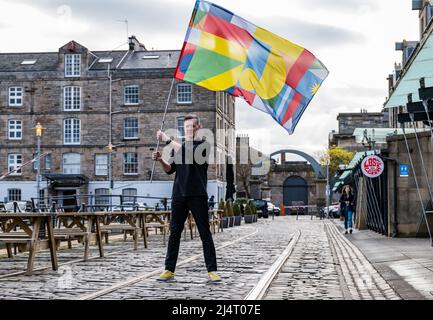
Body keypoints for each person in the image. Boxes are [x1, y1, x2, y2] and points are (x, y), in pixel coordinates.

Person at [152, 114, 221, 283]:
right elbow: (170, 170)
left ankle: (212, 271)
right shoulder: (179, 147)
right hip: (179, 195)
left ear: (198, 128)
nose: (189, 130)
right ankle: (169, 269)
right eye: (186, 127)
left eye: (191, 126)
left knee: (205, 232)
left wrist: (167, 140)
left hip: (197, 194)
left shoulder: (204, 146)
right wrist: (161, 160)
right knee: (174, 232)